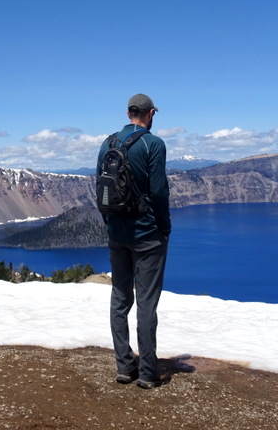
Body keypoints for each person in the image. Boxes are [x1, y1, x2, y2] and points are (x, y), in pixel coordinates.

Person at [97, 93, 171, 389]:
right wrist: (163, 228)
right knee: (146, 303)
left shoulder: (108, 143)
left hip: (117, 234)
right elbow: (158, 192)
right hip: (147, 237)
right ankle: (148, 373)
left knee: (120, 298)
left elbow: (100, 190)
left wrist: (111, 225)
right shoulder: (154, 144)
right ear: (150, 113)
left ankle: (124, 367)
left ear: (128, 113)